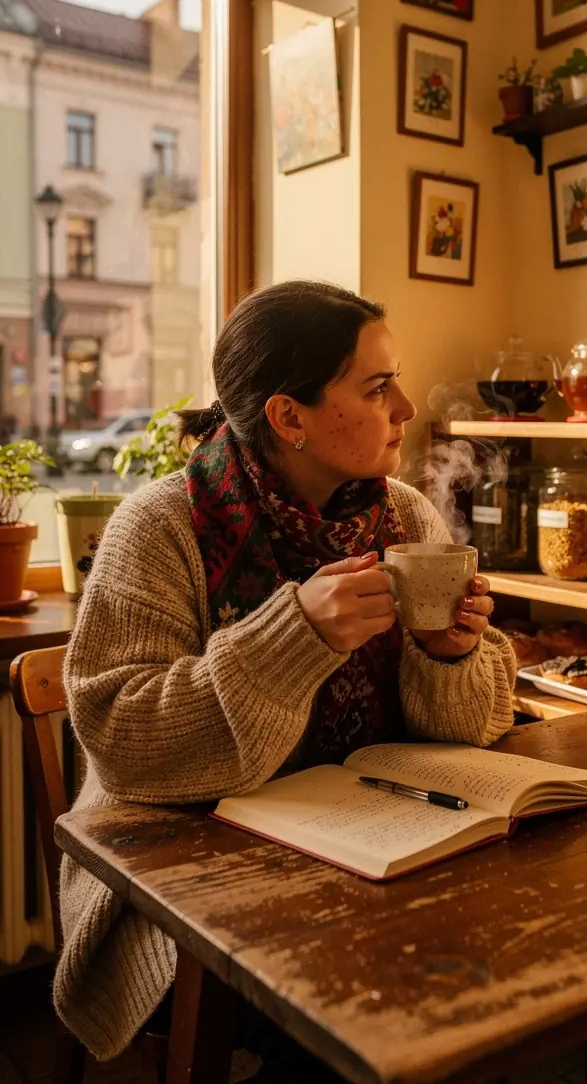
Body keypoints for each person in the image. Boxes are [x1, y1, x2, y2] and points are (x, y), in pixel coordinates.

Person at [54, 280, 515, 1080]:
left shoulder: (405, 518)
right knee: (352, 1024)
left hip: (373, 857)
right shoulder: (160, 526)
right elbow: (123, 741)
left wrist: (448, 656)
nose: (405, 406)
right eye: (377, 387)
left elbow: (464, 735)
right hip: (182, 886)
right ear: (287, 416)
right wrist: (293, 635)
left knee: (504, 968)